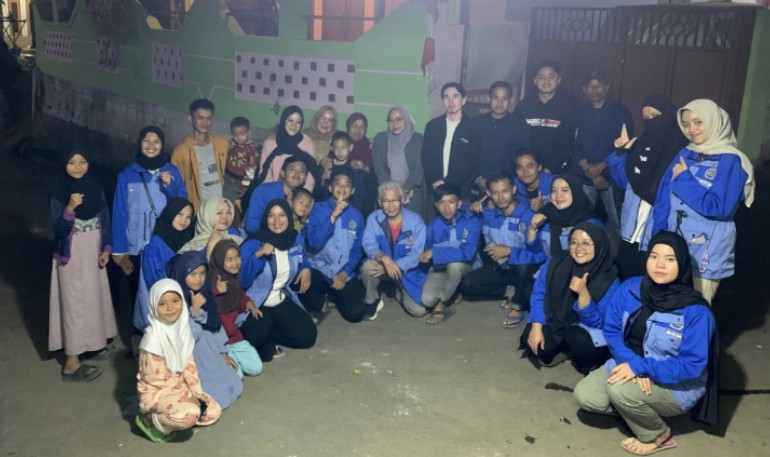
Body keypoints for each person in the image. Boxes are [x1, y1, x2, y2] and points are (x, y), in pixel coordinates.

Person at [573, 231, 715, 455]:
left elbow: (691, 365)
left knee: (619, 391)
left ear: (682, 264)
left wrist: (643, 368)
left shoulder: (696, 311)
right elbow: (611, 330)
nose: (660, 265)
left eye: (670, 259)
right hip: (629, 362)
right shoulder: (631, 287)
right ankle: (636, 408)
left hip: (676, 385)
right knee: (585, 396)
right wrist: (633, 365)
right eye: (654, 256)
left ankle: (657, 435)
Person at [652, 99, 755, 303]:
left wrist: (684, 179)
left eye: (698, 122)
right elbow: (663, 196)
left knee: (694, 305)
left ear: (714, 121)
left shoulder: (731, 160)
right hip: (674, 243)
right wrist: (659, 236)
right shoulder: (685, 153)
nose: (691, 129)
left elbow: (719, 207)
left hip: (705, 250)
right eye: (686, 124)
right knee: (665, 303)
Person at [49, 148, 117, 382]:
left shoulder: (95, 187)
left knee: (93, 298)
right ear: (63, 164)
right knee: (74, 305)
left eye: (82, 161)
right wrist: (69, 208)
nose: (78, 167)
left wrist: (106, 248)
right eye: (72, 162)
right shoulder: (58, 191)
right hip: (72, 254)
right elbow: (59, 230)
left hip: (93, 251)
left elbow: (104, 220)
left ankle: (91, 345)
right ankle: (71, 362)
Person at [605, 94, 688, 279]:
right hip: (630, 232)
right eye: (646, 118)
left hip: (657, 235)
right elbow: (624, 182)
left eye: (656, 116)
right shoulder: (641, 146)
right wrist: (620, 152)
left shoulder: (682, 153)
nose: (651, 122)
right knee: (625, 280)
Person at [520, 222, 619, 372]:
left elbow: (600, 324)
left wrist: (583, 294)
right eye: (574, 242)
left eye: (586, 243)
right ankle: (565, 350)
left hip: (585, 329)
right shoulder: (556, 262)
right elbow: (539, 294)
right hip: (558, 322)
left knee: (578, 340)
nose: (579, 248)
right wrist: (536, 326)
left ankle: (583, 358)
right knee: (535, 344)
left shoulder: (609, 279)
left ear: (599, 245)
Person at [135, 279, 221, 443]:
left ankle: (181, 413)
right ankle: (150, 420)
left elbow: (189, 367)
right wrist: (187, 395)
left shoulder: (182, 330)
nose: (170, 307)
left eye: (175, 301)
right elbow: (157, 380)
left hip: (181, 387)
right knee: (189, 415)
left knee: (213, 410)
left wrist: (196, 392)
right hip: (158, 392)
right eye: (162, 304)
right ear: (153, 306)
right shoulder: (152, 339)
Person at [112, 126, 187, 309]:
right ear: (140, 143)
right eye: (146, 141)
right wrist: (119, 250)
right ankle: (139, 326)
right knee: (137, 294)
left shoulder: (172, 172)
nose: (151, 145)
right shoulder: (127, 174)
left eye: (156, 142)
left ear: (162, 145)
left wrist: (170, 186)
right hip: (135, 247)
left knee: (164, 290)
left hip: (163, 244)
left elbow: (183, 206)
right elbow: (119, 213)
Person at [461, 172, 545, 328]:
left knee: (524, 268)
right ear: (488, 194)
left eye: (505, 191)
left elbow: (541, 255)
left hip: (526, 272)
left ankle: (518, 306)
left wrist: (511, 251)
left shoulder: (529, 216)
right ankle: (510, 291)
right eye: (495, 192)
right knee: (467, 285)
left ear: (514, 190)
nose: (500, 197)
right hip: (502, 270)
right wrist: (471, 208)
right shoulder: (487, 213)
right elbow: (459, 209)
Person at [239, 199, 318, 361]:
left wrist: (305, 267)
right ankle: (257, 335)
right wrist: (258, 255)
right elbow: (242, 280)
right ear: (265, 219)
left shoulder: (295, 239)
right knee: (263, 348)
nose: (277, 220)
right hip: (255, 301)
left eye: (282, 215)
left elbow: (301, 256)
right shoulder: (253, 243)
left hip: (279, 297)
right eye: (271, 216)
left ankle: (270, 333)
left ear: (289, 217)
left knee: (308, 336)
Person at [168, 251, 242, 409]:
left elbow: (216, 326)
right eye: (193, 274)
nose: (198, 279)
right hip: (192, 357)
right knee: (214, 399)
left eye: (202, 273)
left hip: (210, 351)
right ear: (182, 274)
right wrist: (194, 310)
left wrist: (223, 353)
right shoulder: (173, 301)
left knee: (235, 382)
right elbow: (189, 337)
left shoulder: (205, 294)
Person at [573, 71, 633, 255]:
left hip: (611, 177)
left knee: (618, 223)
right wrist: (590, 171)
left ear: (607, 88)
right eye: (590, 86)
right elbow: (572, 143)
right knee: (580, 221)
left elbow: (625, 143)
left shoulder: (620, 112)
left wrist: (600, 168)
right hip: (583, 176)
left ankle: (617, 260)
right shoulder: (578, 113)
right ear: (584, 90)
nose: (594, 89)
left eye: (598, 85)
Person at [304, 169, 368, 323]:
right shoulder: (317, 209)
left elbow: (357, 251)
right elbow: (315, 242)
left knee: (356, 314)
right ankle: (320, 301)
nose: (342, 188)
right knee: (305, 279)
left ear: (352, 190)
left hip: (341, 272)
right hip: (318, 271)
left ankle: (333, 295)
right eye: (338, 184)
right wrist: (334, 215)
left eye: (347, 185)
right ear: (330, 188)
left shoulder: (356, 216)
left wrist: (345, 273)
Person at [361, 181, 428, 318]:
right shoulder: (374, 218)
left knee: (418, 311)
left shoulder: (415, 221)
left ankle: (399, 290)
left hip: (407, 270)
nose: (391, 206)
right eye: (386, 201)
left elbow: (417, 253)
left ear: (402, 200)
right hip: (382, 265)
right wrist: (383, 258)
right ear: (380, 202)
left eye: (395, 200)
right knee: (367, 267)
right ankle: (372, 300)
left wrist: (394, 266)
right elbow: (368, 244)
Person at [420, 183, 481, 324]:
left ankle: (443, 303)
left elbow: (468, 253)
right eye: (442, 203)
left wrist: (435, 252)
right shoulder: (431, 227)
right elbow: (427, 256)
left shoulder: (471, 222)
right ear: (436, 206)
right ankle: (454, 291)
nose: (446, 207)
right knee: (427, 300)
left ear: (459, 204)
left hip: (467, 265)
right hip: (441, 267)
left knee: (455, 267)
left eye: (451, 202)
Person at [133, 197, 195, 332]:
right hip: (165, 301)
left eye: (188, 217)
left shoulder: (189, 238)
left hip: (185, 298)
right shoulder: (155, 245)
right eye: (180, 214)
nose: (184, 220)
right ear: (170, 213)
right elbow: (154, 281)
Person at [208, 239, 263, 378]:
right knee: (237, 375)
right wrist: (216, 290)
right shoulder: (212, 279)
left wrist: (248, 304)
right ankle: (224, 357)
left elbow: (240, 297)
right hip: (218, 339)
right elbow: (204, 304)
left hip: (235, 336)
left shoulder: (235, 278)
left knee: (256, 368)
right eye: (229, 259)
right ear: (220, 260)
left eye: (237, 257)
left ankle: (234, 356)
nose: (235, 263)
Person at [513, 61, 578, 175]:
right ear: (535, 81)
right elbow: (516, 138)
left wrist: (551, 168)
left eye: (551, 77)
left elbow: (569, 142)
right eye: (541, 77)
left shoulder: (568, 108)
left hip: (555, 170)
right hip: (526, 170)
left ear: (559, 80)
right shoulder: (523, 106)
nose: (546, 81)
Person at [470, 81, 530, 200]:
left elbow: (522, 158)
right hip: (479, 185)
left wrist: (509, 182)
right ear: (488, 98)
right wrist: (478, 179)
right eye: (495, 97)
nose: (499, 103)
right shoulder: (475, 124)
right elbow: (467, 157)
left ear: (511, 100)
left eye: (504, 98)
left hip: (507, 188)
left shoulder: (520, 126)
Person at [421, 82, 479, 200]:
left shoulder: (473, 129)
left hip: (461, 190)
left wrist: (448, 181)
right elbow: (426, 157)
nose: (451, 102)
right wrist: (435, 182)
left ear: (463, 100)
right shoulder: (432, 126)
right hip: (435, 189)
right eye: (446, 97)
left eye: (455, 96)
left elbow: (471, 162)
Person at [171, 99, 229, 211]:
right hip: (198, 211)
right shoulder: (181, 152)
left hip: (221, 210)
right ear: (190, 119)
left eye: (208, 118)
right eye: (200, 118)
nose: (205, 123)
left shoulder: (223, 145)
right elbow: (176, 187)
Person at [371, 105, 427, 219]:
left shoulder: (418, 139)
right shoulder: (381, 139)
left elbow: (419, 167)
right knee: (386, 226)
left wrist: (405, 190)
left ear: (407, 120)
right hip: (387, 192)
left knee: (412, 225)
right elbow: (379, 167)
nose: (394, 123)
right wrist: (392, 191)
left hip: (413, 192)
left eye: (399, 119)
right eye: (390, 120)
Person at [528, 174, 598, 258]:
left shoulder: (590, 222)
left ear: (575, 192)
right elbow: (534, 250)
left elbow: (597, 255)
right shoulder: (545, 216)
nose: (558, 195)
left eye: (564, 190)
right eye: (554, 190)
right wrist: (533, 228)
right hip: (551, 264)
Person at [252, 105, 318, 194]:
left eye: (298, 122)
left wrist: (301, 196)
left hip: (299, 194)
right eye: (290, 120)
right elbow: (265, 174)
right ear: (283, 121)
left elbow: (311, 176)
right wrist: (274, 193)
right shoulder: (270, 143)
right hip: (273, 191)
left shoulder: (307, 144)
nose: (294, 125)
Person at [244, 156, 309, 235]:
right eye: (292, 169)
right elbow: (251, 225)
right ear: (283, 173)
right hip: (257, 236)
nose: (297, 174)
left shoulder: (305, 199)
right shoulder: (263, 191)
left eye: (302, 171)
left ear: (305, 177)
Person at [319, 131, 368, 212]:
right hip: (328, 210)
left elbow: (359, 194)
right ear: (331, 148)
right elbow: (319, 195)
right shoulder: (327, 166)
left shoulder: (355, 166)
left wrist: (355, 211)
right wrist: (323, 179)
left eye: (343, 147)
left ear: (350, 147)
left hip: (350, 209)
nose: (340, 151)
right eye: (336, 148)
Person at [223, 116, 258, 220]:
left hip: (240, 179)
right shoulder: (231, 143)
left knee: (230, 202)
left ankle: (229, 219)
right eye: (235, 134)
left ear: (249, 132)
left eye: (242, 134)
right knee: (224, 200)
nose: (238, 137)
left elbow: (252, 167)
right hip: (227, 176)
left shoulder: (250, 149)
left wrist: (244, 183)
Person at [342, 112, 377, 215]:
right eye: (354, 126)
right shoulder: (340, 144)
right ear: (348, 127)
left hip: (363, 200)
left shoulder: (370, 148)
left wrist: (365, 168)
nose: (358, 130)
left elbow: (376, 175)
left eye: (362, 127)